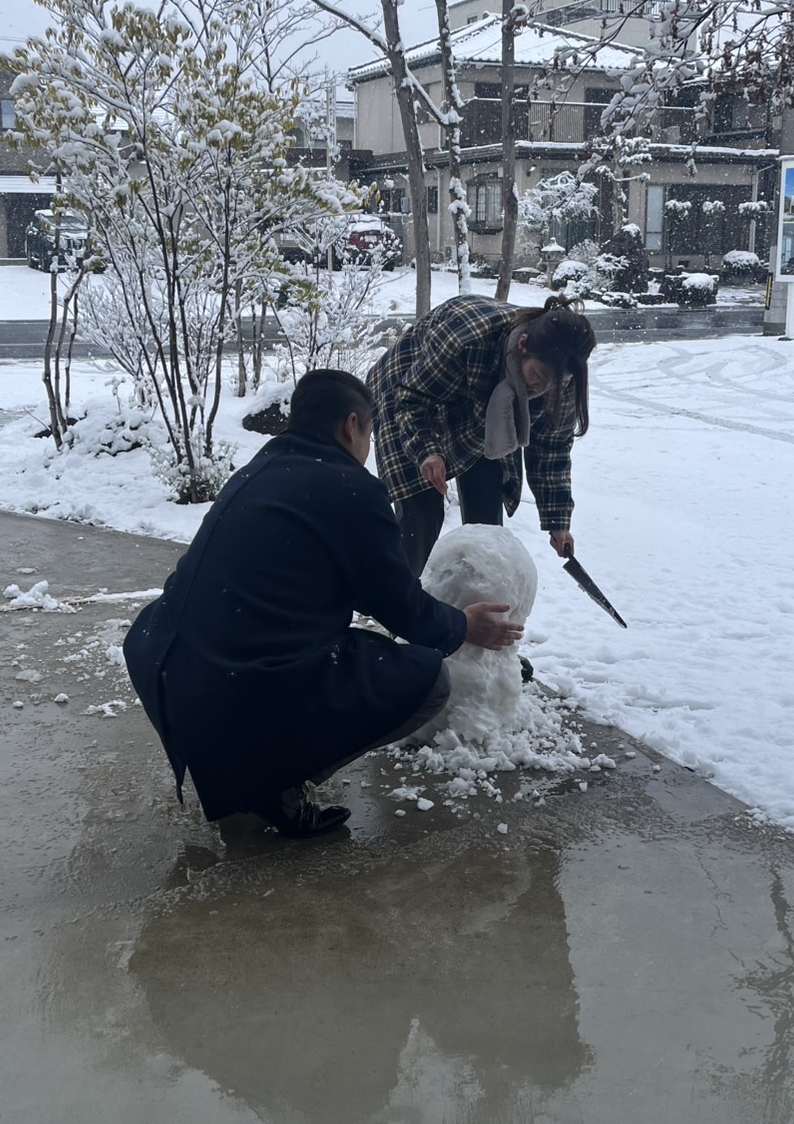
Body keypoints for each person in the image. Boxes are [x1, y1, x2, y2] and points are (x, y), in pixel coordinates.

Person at [123, 368, 523, 839]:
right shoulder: (352, 489)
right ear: (351, 426)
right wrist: (463, 625)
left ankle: (242, 761)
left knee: (334, 648)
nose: (368, 447)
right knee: (429, 679)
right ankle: (272, 783)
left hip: (169, 671)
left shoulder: (259, 470)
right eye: (370, 434)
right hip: (235, 686)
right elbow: (405, 610)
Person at [367, 294, 595, 577]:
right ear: (523, 344)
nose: (543, 388)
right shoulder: (468, 339)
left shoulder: (561, 381)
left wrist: (558, 522)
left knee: (486, 523)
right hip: (408, 391)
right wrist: (427, 451)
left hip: (481, 409)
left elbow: (552, 450)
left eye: (556, 383)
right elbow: (412, 400)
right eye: (539, 375)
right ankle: (401, 593)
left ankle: (480, 597)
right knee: (421, 512)